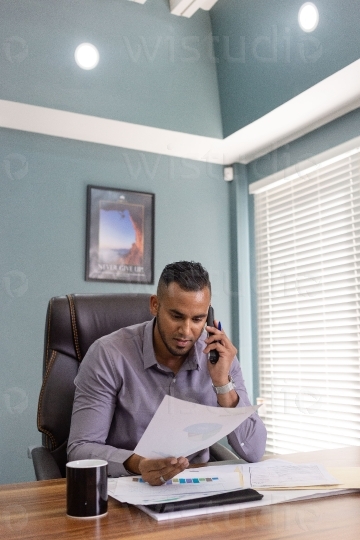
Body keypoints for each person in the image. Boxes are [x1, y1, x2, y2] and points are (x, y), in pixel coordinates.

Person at [67, 261, 266, 485]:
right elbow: (80, 449)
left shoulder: (218, 356)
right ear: (154, 305)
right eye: (177, 316)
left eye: (197, 319)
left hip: (196, 488)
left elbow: (254, 450)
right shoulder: (108, 355)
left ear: (208, 317)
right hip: (127, 485)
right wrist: (138, 464)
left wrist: (222, 383)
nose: (186, 331)